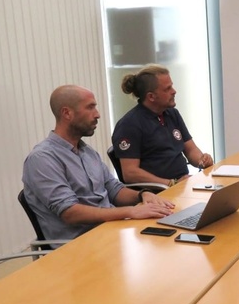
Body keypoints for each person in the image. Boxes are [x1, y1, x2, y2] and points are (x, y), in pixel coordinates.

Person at [22, 85, 175, 241]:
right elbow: (70, 213)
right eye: (90, 108)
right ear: (67, 113)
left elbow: (114, 190)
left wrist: (143, 195)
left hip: (111, 231)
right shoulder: (42, 158)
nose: (98, 114)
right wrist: (130, 212)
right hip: (80, 245)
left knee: (168, 239)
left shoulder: (87, 151)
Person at [112, 64, 213, 187]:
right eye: (167, 88)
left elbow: (190, 149)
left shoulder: (172, 114)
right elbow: (130, 173)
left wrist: (202, 160)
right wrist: (171, 183)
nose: (174, 91)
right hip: (158, 192)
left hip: (184, 184)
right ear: (151, 97)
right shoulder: (129, 125)